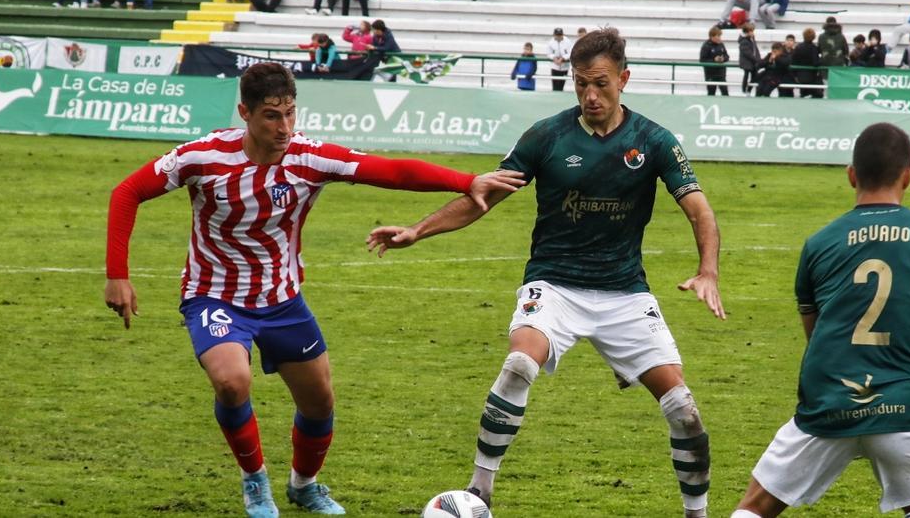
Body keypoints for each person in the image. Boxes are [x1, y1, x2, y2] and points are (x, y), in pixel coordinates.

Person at [104, 62, 525, 518]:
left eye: (290, 113)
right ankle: (255, 481)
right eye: (271, 115)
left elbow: (391, 170)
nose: (284, 126)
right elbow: (128, 191)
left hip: (283, 300)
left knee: (319, 401)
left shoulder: (310, 158)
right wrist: (117, 273)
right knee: (231, 381)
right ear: (244, 112)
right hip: (214, 294)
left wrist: (465, 181)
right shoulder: (202, 157)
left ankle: (303, 485)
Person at [365, 28, 725, 518]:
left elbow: (700, 212)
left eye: (600, 83)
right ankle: (479, 492)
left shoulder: (654, 140)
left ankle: (696, 513)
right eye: (579, 84)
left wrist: (708, 271)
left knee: (683, 410)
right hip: (554, 283)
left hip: (624, 292)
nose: (590, 95)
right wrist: (418, 230)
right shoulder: (547, 135)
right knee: (519, 364)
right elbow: (484, 196)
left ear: (624, 78)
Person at [728, 122, 910, 518]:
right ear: (908, 176)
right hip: (905, 406)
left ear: (851, 176)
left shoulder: (818, 244)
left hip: (828, 403)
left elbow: (813, 330)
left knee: (754, 508)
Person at [700, 26, 731, 96]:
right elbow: (702, 60)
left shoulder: (721, 44)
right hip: (710, 74)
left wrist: (723, 59)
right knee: (711, 93)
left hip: (721, 73)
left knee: (725, 93)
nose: (720, 38)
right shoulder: (706, 46)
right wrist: (714, 60)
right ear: (712, 36)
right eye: (718, 36)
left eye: (720, 36)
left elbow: (727, 56)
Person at [791, 27, 822, 98]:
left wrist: (795, 75)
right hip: (811, 77)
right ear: (813, 37)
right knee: (818, 94)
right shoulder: (813, 48)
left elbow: (793, 61)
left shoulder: (798, 47)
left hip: (800, 76)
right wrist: (821, 60)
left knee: (803, 93)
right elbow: (815, 63)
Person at [546, 27, 572, 92]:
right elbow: (548, 53)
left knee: (561, 85)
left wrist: (563, 58)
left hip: (564, 67)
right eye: (557, 35)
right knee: (555, 85)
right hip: (554, 67)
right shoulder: (550, 42)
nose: (558, 37)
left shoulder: (568, 41)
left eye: (560, 35)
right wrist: (554, 58)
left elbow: (570, 53)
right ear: (554, 35)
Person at [738, 22, 761, 95]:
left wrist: (758, 58)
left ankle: (749, 90)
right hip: (747, 62)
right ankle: (744, 90)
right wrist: (756, 59)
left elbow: (755, 49)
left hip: (753, 62)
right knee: (746, 75)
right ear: (746, 32)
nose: (752, 33)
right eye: (751, 31)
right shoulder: (744, 41)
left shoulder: (752, 39)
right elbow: (747, 53)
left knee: (754, 76)